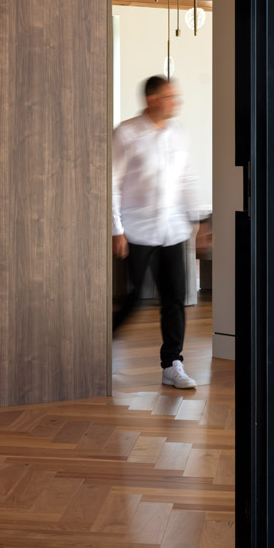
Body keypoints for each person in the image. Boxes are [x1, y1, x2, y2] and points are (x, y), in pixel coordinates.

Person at [112, 75, 206, 389]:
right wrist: (116, 230)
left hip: (173, 229)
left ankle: (172, 364)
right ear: (153, 99)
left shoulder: (178, 133)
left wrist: (198, 221)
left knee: (174, 298)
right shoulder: (126, 133)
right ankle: (99, 346)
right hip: (136, 229)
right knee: (134, 296)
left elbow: (187, 178)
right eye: (169, 96)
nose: (175, 102)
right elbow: (111, 183)